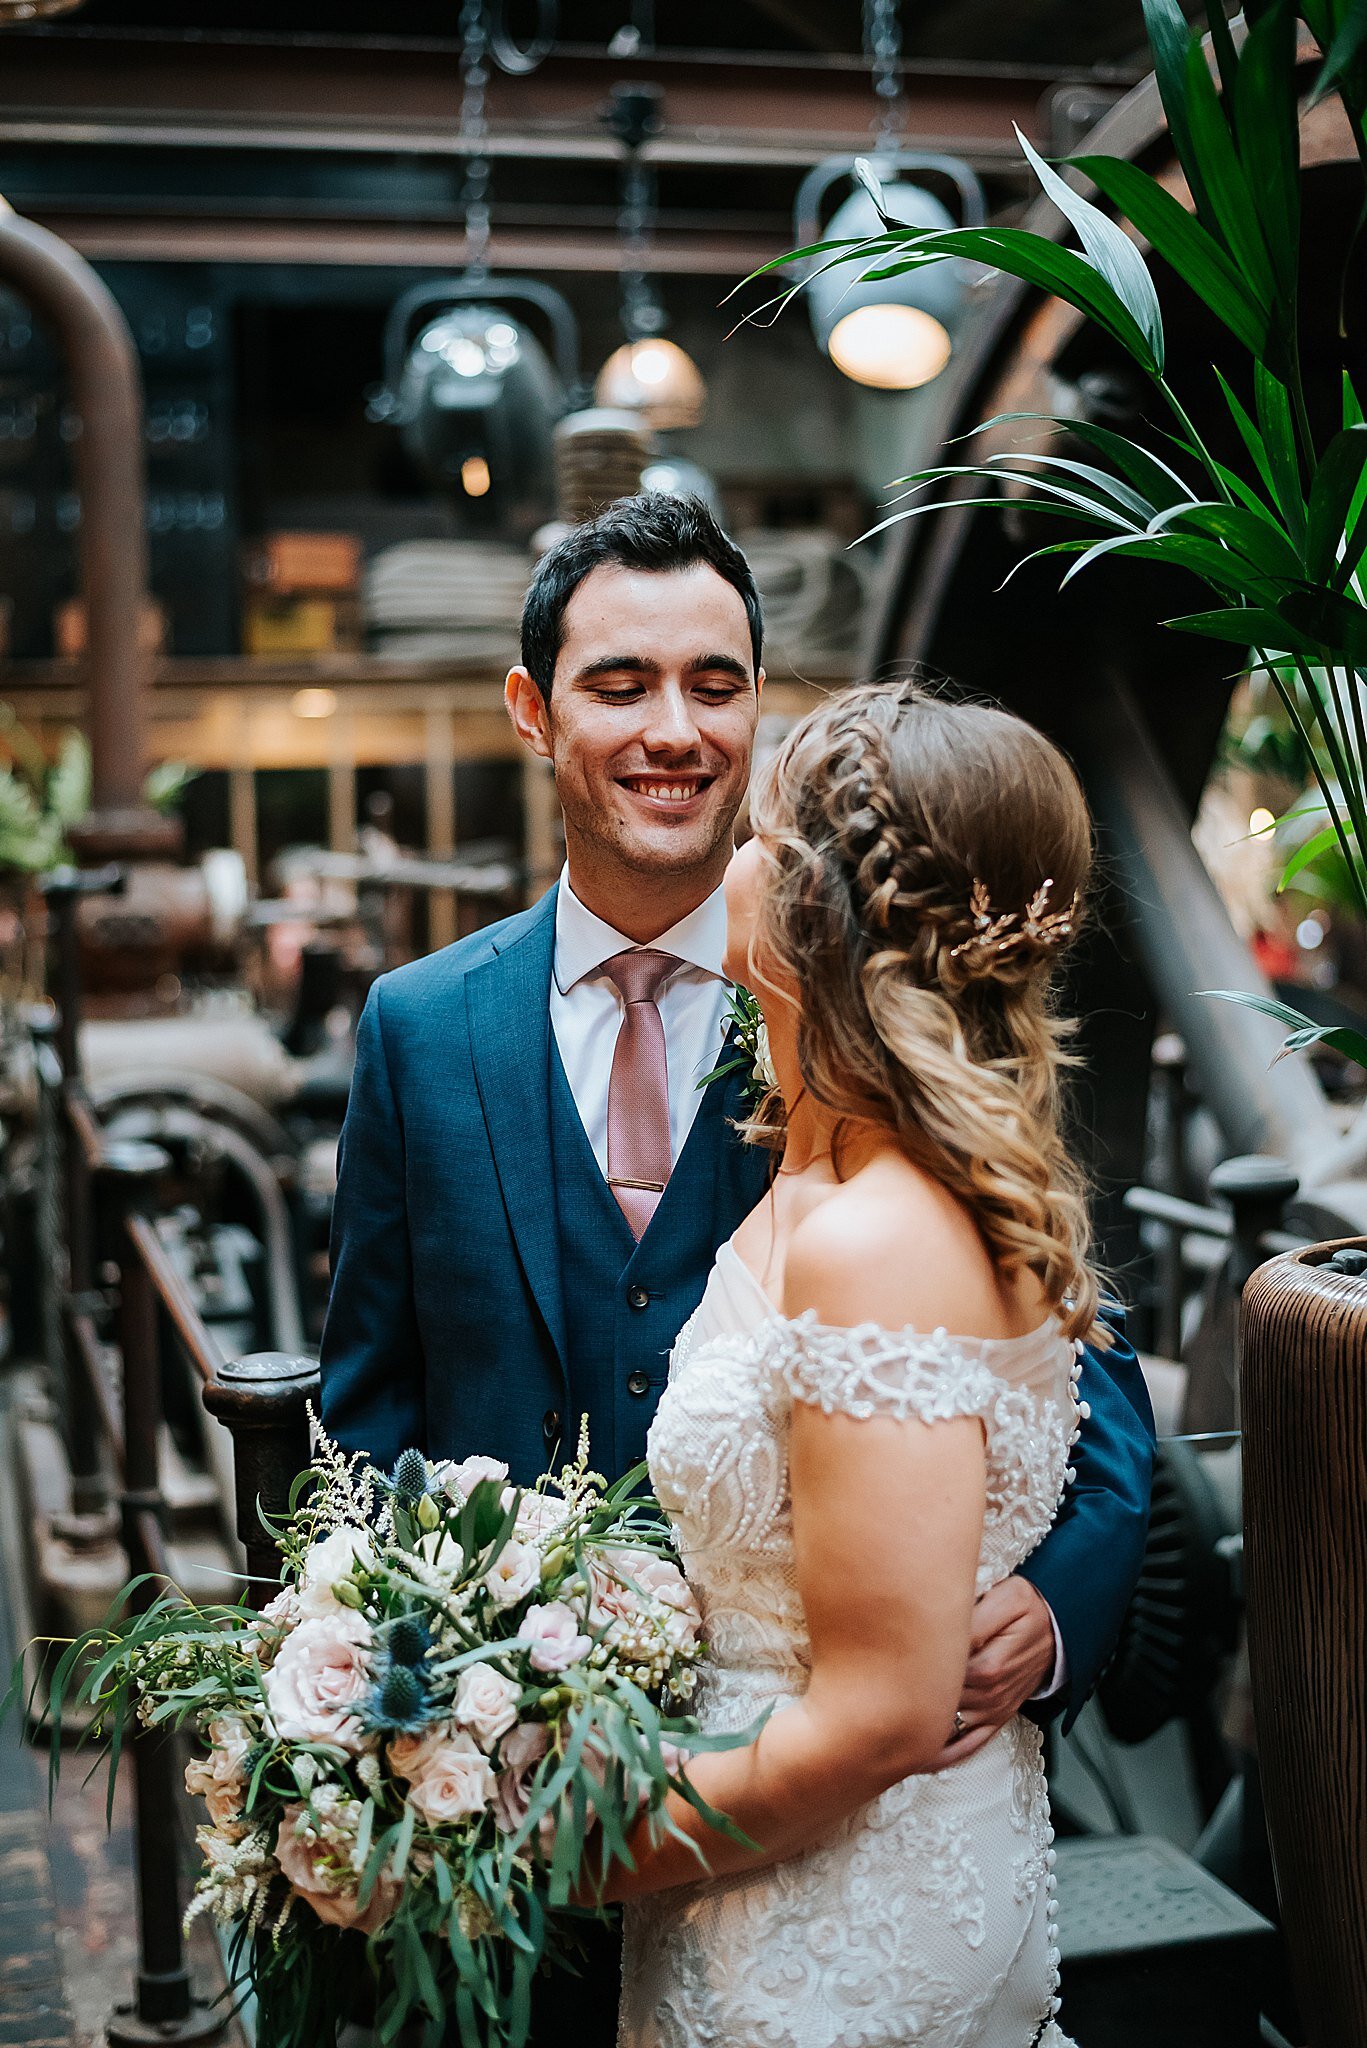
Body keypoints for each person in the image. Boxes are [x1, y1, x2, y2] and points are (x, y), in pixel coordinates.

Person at [318, 495, 1154, 2040]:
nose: (675, 730)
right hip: (531, 1818)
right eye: (621, 683)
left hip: (827, 1823)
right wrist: (403, 1708)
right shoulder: (419, 1029)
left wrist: (1048, 1608)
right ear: (531, 709)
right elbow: (365, 1412)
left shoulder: (903, 1017)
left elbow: (1071, 1359)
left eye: (717, 683)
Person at [611, 678, 1116, 2046]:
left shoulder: (880, 1238)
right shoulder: (833, 1179)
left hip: (832, 1916)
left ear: (815, 908)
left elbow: (882, 1718)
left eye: (765, 835)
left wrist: (587, 1849)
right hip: (779, 1861)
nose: (737, 856)